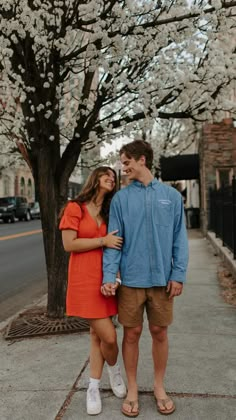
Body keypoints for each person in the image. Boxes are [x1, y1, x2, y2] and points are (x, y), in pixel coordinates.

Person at [101, 141, 189, 417]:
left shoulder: (171, 197)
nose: (123, 168)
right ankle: (133, 389)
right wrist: (108, 276)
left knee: (159, 332)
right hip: (130, 279)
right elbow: (113, 242)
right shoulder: (121, 200)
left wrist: (178, 274)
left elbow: (180, 239)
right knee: (132, 333)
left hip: (163, 280)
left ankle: (159, 387)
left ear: (142, 160)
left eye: (126, 162)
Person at [59, 166, 126, 416]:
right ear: (95, 179)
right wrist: (102, 240)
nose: (111, 178)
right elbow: (69, 244)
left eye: (114, 176)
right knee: (109, 337)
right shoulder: (75, 207)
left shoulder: (110, 212)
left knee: (97, 337)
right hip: (83, 282)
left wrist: (116, 276)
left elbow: (118, 246)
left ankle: (93, 387)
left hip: (106, 281)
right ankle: (114, 370)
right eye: (106, 174)